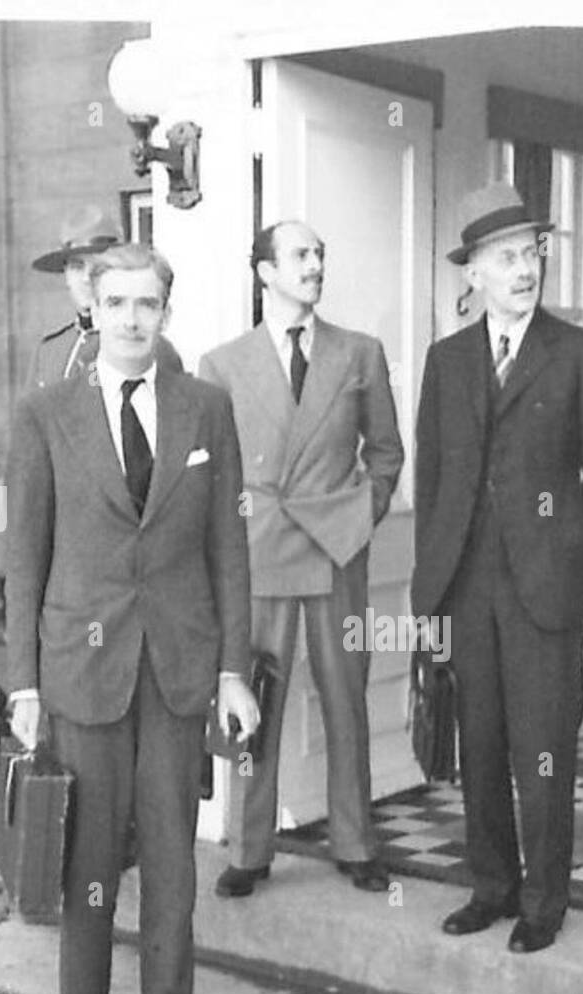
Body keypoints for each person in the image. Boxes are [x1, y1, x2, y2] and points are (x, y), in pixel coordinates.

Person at [6, 242, 259, 994]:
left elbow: (229, 547)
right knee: (88, 865)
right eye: (115, 303)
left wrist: (234, 667)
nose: (130, 319)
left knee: (173, 870)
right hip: (83, 672)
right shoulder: (45, 415)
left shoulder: (206, 410)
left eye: (146, 303)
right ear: (94, 310)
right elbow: (24, 559)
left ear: (165, 311)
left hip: (179, 671)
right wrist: (24, 684)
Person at [410, 184, 583, 953]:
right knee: (481, 743)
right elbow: (434, 479)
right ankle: (491, 887)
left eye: (531, 253)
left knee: (544, 747)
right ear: (471, 273)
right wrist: (427, 594)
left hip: (548, 585)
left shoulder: (580, 354)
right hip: (467, 584)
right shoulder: (445, 361)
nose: (523, 268)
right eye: (505, 257)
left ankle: (544, 901)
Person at [199, 221, 405, 899]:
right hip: (260, 556)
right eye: (300, 255)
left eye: (321, 253)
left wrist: (359, 514)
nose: (316, 264)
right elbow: (214, 471)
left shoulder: (360, 352)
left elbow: (386, 453)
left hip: (334, 550)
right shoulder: (223, 363)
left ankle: (354, 841)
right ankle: (250, 848)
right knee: (253, 701)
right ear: (264, 271)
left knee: (346, 698)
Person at [26, 206, 184, 389]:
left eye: (96, 267)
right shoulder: (49, 351)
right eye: (77, 267)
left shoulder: (147, 346)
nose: (86, 278)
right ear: (66, 276)